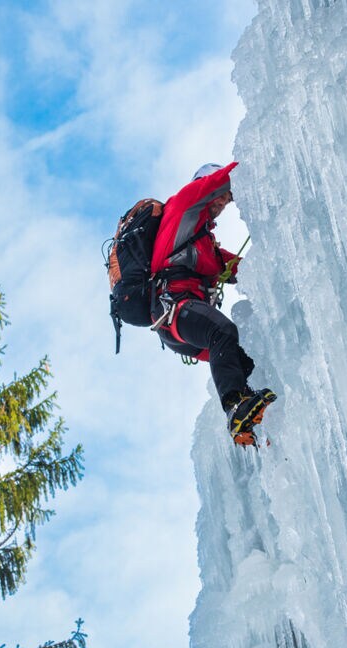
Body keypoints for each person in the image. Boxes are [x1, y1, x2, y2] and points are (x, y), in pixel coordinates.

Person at [150, 162, 276, 445]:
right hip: (174, 309)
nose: (225, 200)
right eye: (222, 194)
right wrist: (253, 165)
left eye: (227, 198)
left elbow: (233, 268)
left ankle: (254, 426)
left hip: (183, 323)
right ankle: (234, 406)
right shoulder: (183, 205)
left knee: (246, 361)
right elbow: (221, 179)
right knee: (223, 331)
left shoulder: (203, 242)